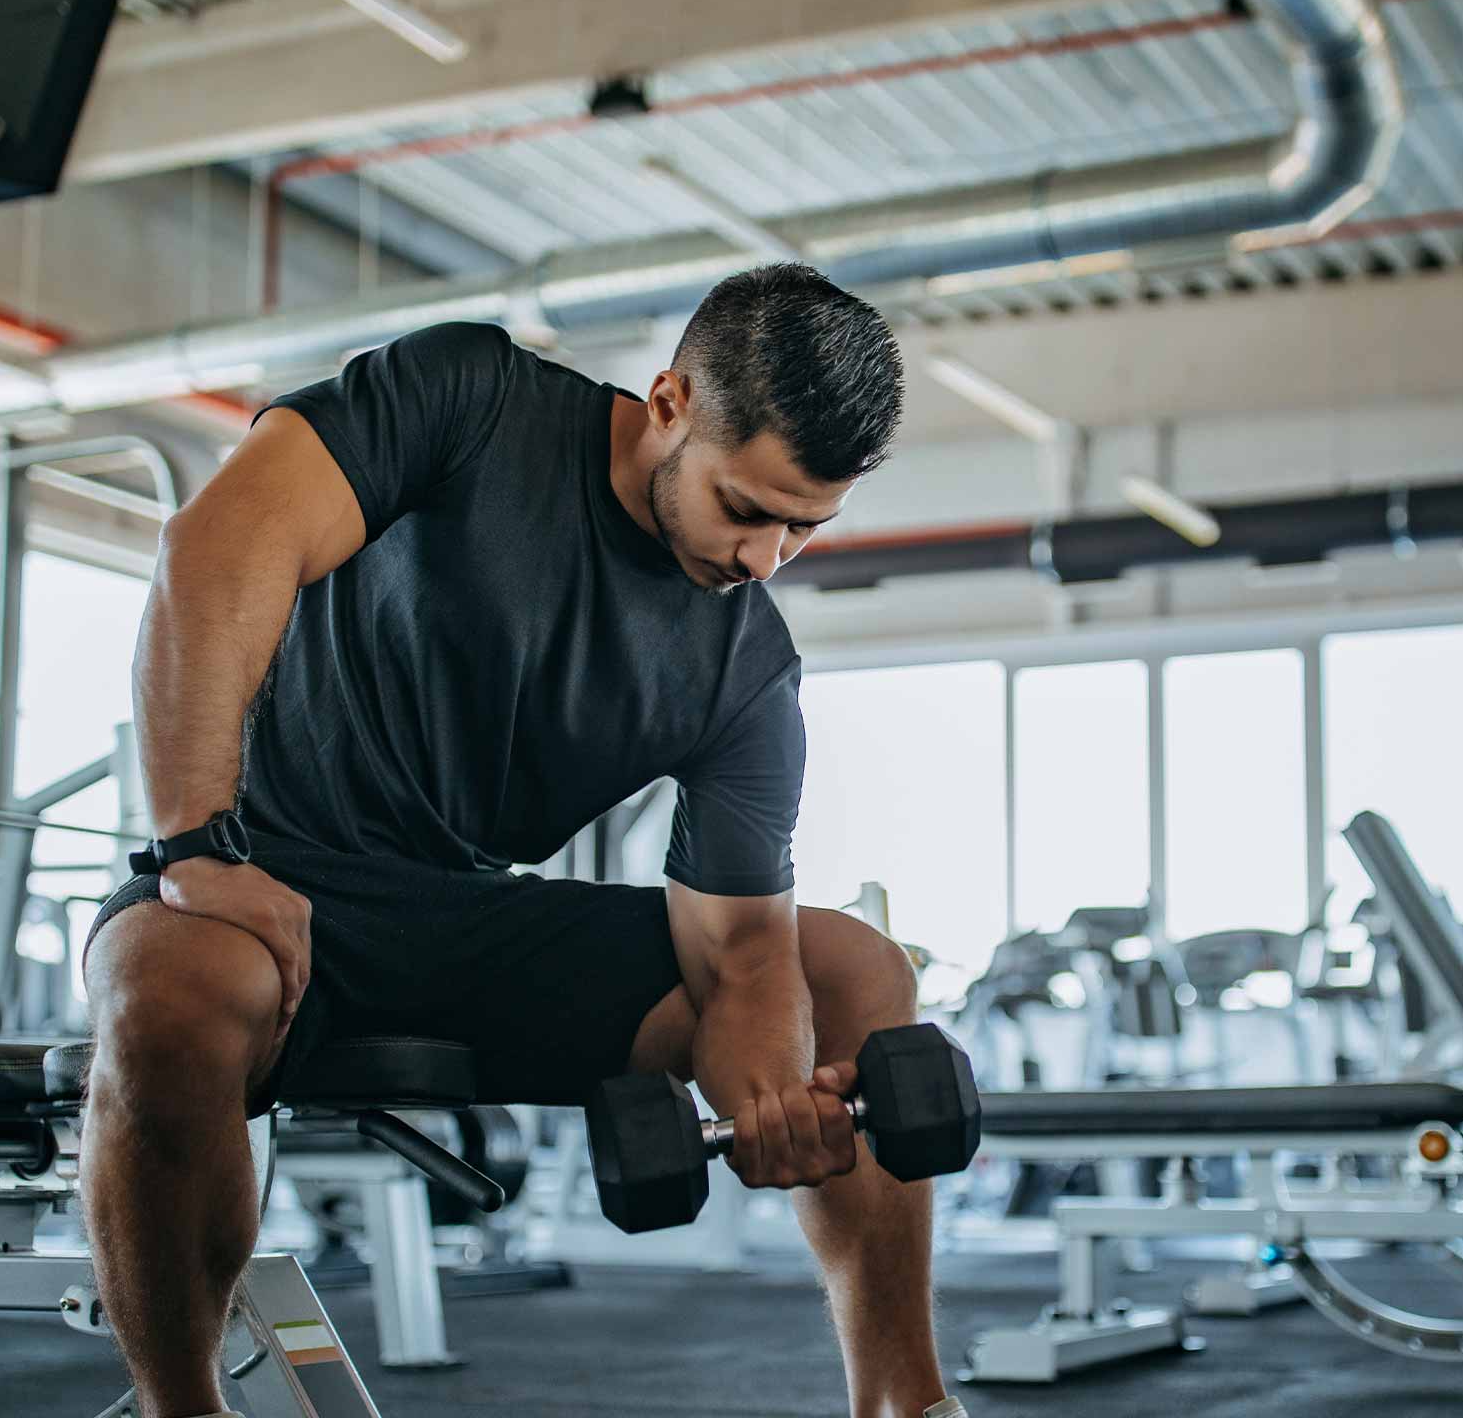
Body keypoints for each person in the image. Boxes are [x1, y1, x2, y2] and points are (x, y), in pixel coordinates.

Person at [78, 264, 963, 1418]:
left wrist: (770, 1109)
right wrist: (199, 848)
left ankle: (906, 1404)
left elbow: (741, 958)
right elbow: (217, 545)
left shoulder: (744, 670)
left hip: (468, 925)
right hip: (266, 874)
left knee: (851, 967)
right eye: (747, 510)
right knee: (163, 983)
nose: (763, 562)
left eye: (804, 530)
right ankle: (180, 1409)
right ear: (670, 403)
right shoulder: (470, 398)